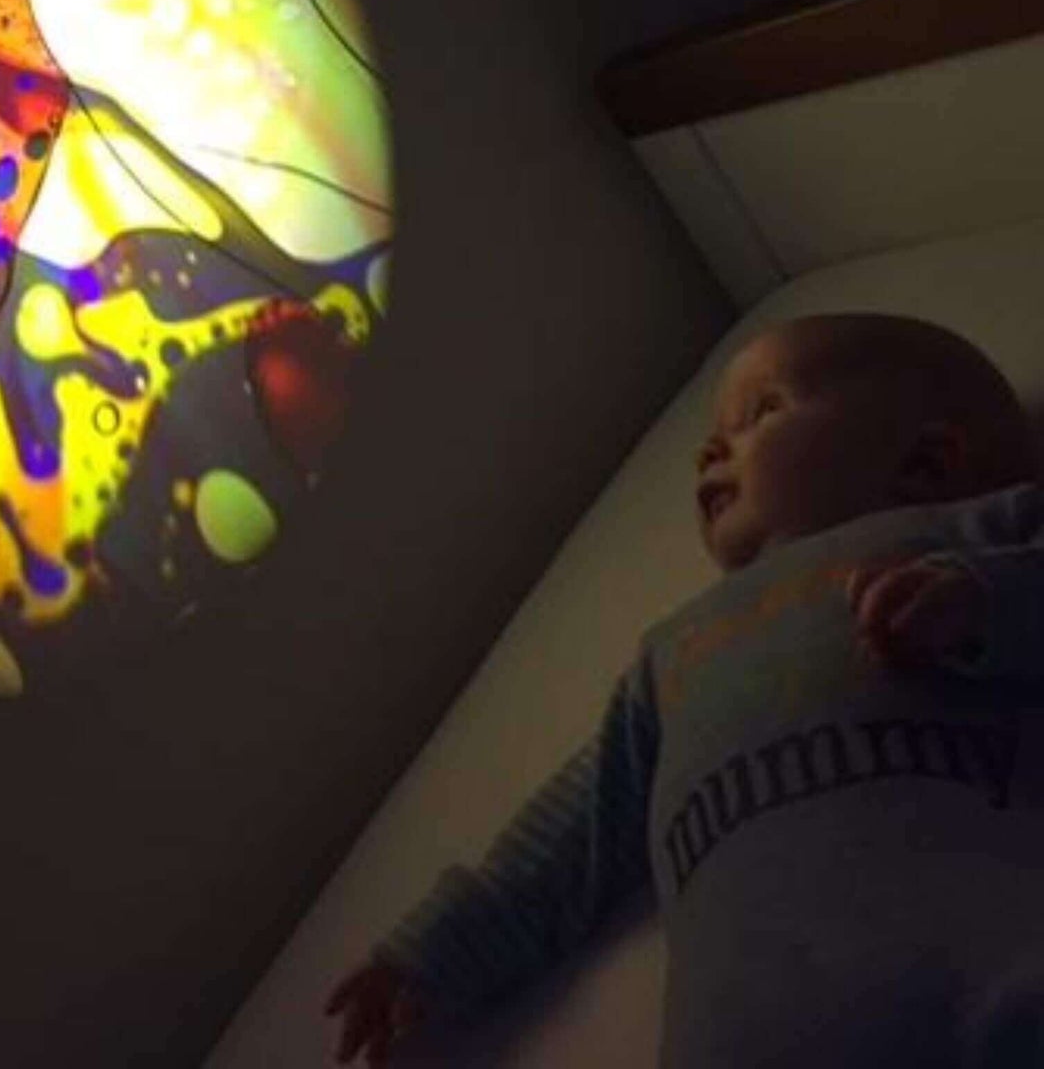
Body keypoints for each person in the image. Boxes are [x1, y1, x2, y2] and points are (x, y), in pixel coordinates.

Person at [326, 311, 1044, 1067]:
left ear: (926, 464)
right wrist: (446, 946)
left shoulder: (976, 534)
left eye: (762, 411)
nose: (709, 449)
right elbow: (580, 828)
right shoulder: (674, 653)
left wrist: (986, 600)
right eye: (714, 432)